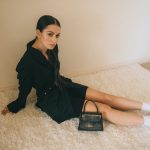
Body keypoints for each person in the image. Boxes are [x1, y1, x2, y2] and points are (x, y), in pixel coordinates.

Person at [1, 15, 150, 127]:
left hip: (62, 84)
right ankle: (146, 121)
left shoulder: (52, 48)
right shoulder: (27, 62)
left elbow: (54, 71)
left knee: (106, 97)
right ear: (38, 33)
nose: (54, 40)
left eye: (57, 35)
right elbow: (24, 89)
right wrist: (16, 104)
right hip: (52, 100)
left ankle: (147, 106)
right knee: (104, 110)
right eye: (50, 34)